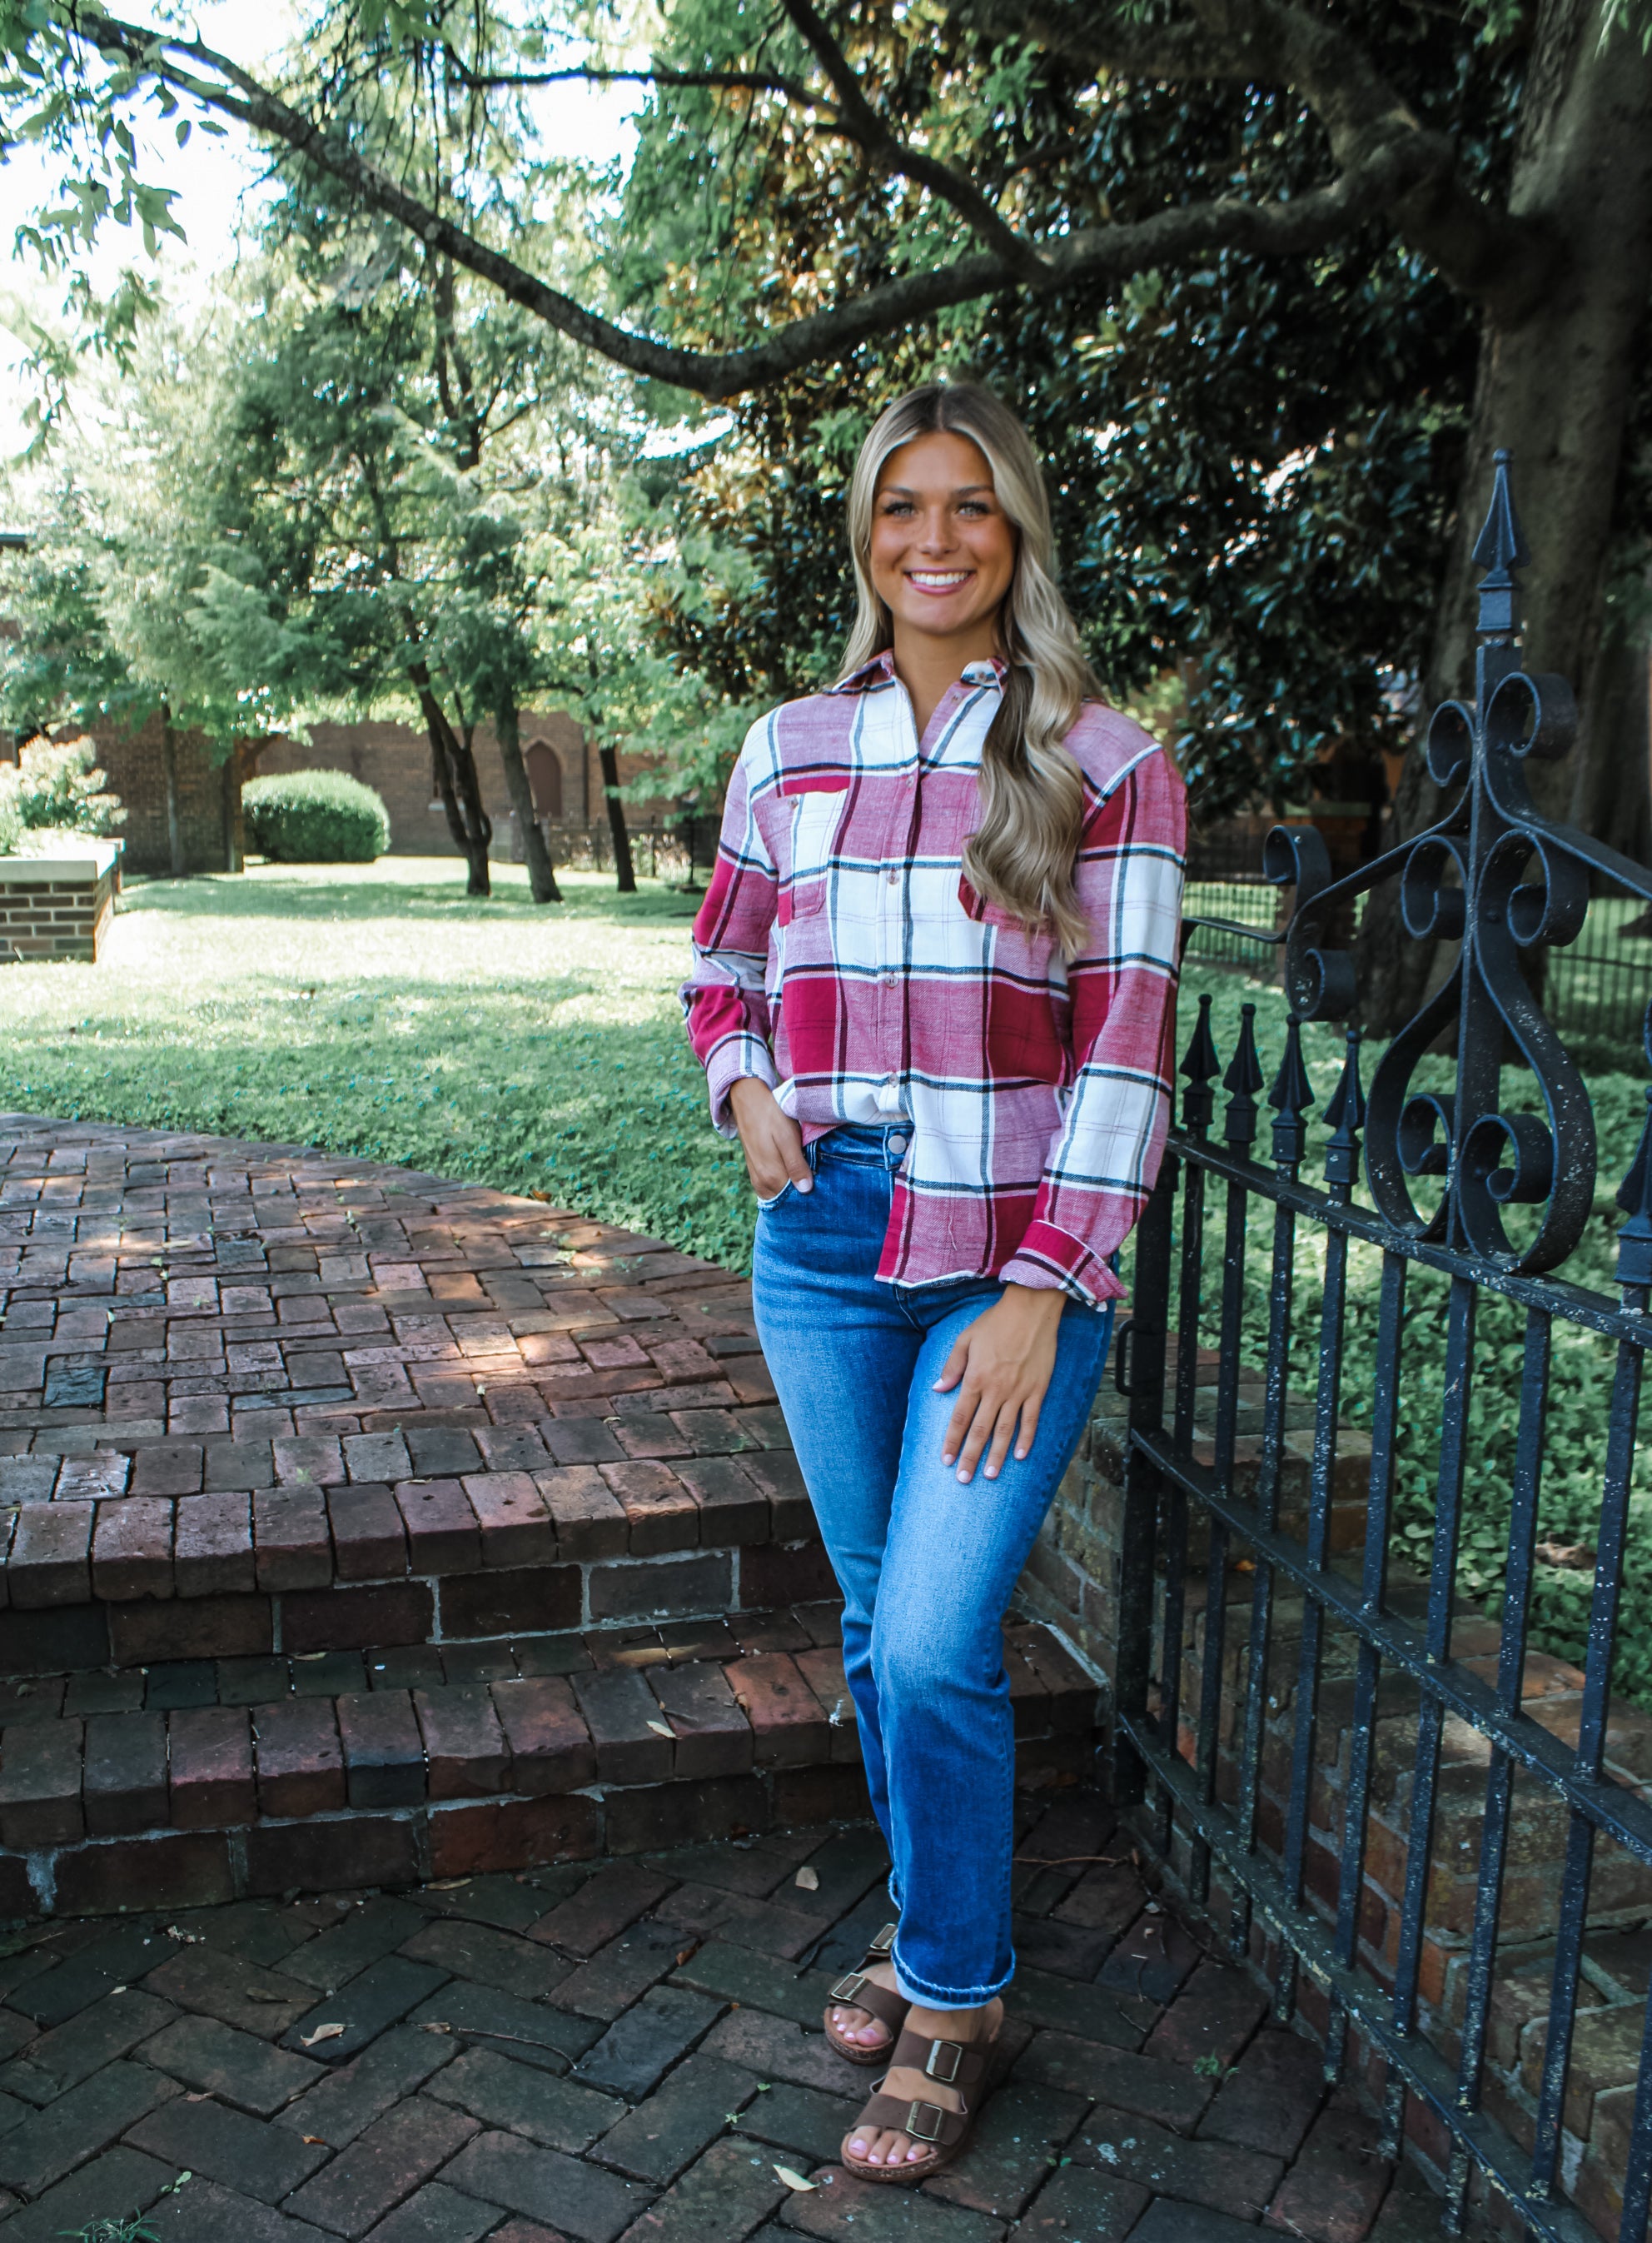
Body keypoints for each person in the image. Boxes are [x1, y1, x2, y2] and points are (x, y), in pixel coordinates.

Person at [680, 381, 1186, 2185]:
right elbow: (721, 965)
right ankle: (923, 1926)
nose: (935, 538)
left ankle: (959, 1997)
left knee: (928, 1636)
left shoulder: (1102, 758)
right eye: (903, 504)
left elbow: (1125, 1043)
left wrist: (1048, 1286)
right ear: (865, 531)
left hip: (1006, 1258)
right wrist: (744, 1088)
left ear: (1016, 529)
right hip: (821, 1246)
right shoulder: (787, 747)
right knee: (873, 1616)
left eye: (970, 504)